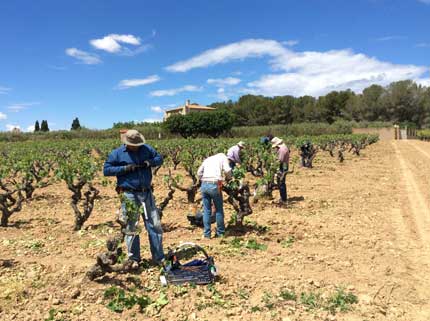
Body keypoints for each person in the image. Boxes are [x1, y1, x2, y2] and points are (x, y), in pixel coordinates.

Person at [103, 129, 164, 266]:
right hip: (129, 193)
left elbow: (159, 159)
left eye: (138, 144)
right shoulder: (117, 153)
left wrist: (148, 163)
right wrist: (124, 168)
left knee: (154, 225)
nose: (136, 147)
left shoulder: (146, 149)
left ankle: (159, 258)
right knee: (131, 226)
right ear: (126, 143)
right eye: (133, 145)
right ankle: (134, 259)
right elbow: (106, 170)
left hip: (146, 192)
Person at [197, 153, 232, 239]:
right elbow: (227, 170)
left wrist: (203, 179)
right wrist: (229, 178)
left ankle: (207, 234)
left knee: (206, 210)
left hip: (204, 184)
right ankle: (220, 233)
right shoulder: (223, 157)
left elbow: (199, 172)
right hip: (215, 184)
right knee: (219, 209)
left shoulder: (208, 159)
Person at [271, 137, 290, 205]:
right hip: (284, 165)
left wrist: (273, 165)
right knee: (281, 182)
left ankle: (284, 199)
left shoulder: (282, 149)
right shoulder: (283, 146)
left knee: (281, 182)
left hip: (283, 166)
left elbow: (280, 160)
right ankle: (283, 197)